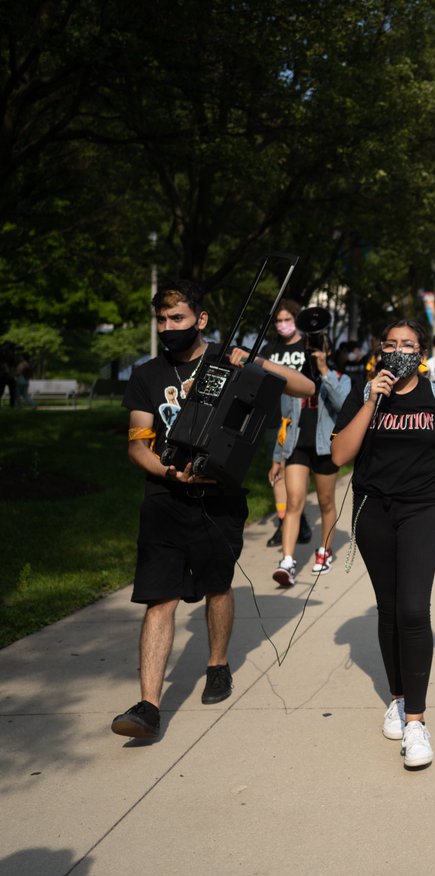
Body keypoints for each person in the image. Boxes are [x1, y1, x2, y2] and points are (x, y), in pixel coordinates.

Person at [111, 279, 315, 740]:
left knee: (217, 585)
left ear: (200, 320)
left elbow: (303, 388)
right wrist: (166, 472)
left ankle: (217, 663)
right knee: (159, 597)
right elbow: (138, 445)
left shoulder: (229, 359)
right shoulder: (146, 375)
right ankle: (148, 706)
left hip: (220, 498)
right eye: (162, 320)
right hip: (164, 496)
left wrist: (257, 361)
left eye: (177, 319)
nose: (168, 327)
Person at [331, 319, 435, 770]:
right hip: (373, 510)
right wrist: (373, 398)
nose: (398, 351)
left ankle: (416, 720)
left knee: (414, 610)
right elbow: (340, 455)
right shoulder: (364, 394)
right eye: (391, 344)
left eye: (408, 345)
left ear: (422, 352)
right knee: (390, 608)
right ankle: (397, 698)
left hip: (423, 509)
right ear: (379, 349)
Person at [270, 313, 352, 586]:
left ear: (328, 350)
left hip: (325, 448)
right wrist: (276, 457)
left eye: (320, 347)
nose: (314, 351)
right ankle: (287, 561)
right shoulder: (292, 379)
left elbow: (343, 406)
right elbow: (285, 420)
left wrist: (325, 371)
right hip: (297, 446)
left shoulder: (340, 378)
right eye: (311, 347)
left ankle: (325, 551)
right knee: (294, 502)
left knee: (326, 502)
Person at [264, 302, 314, 550]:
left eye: (287, 319)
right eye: (278, 320)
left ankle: (297, 517)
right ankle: (286, 521)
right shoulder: (269, 349)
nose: (282, 324)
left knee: (294, 470)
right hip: (274, 418)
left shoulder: (307, 347)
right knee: (277, 473)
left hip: (301, 418)